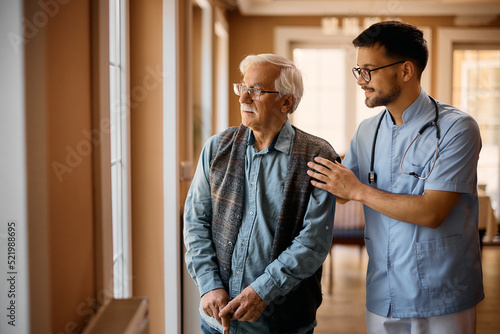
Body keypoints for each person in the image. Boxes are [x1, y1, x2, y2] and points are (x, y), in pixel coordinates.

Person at [307, 21, 484, 333]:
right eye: (358, 70)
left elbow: (433, 212)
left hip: (442, 291)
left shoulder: (457, 128)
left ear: (405, 71)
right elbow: (342, 190)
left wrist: (358, 190)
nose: (361, 81)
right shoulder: (367, 130)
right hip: (384, 290)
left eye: (369, 70)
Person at [184, 53, 340, 334]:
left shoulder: (318, 156)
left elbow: (313, 241)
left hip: (283, 325)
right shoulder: (216, 148)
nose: (243, 98)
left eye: (254, 91)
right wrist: (209, 284)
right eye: (242, 88)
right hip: (215, 321)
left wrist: (262, 291)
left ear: (286, 101)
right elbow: (196, 221)